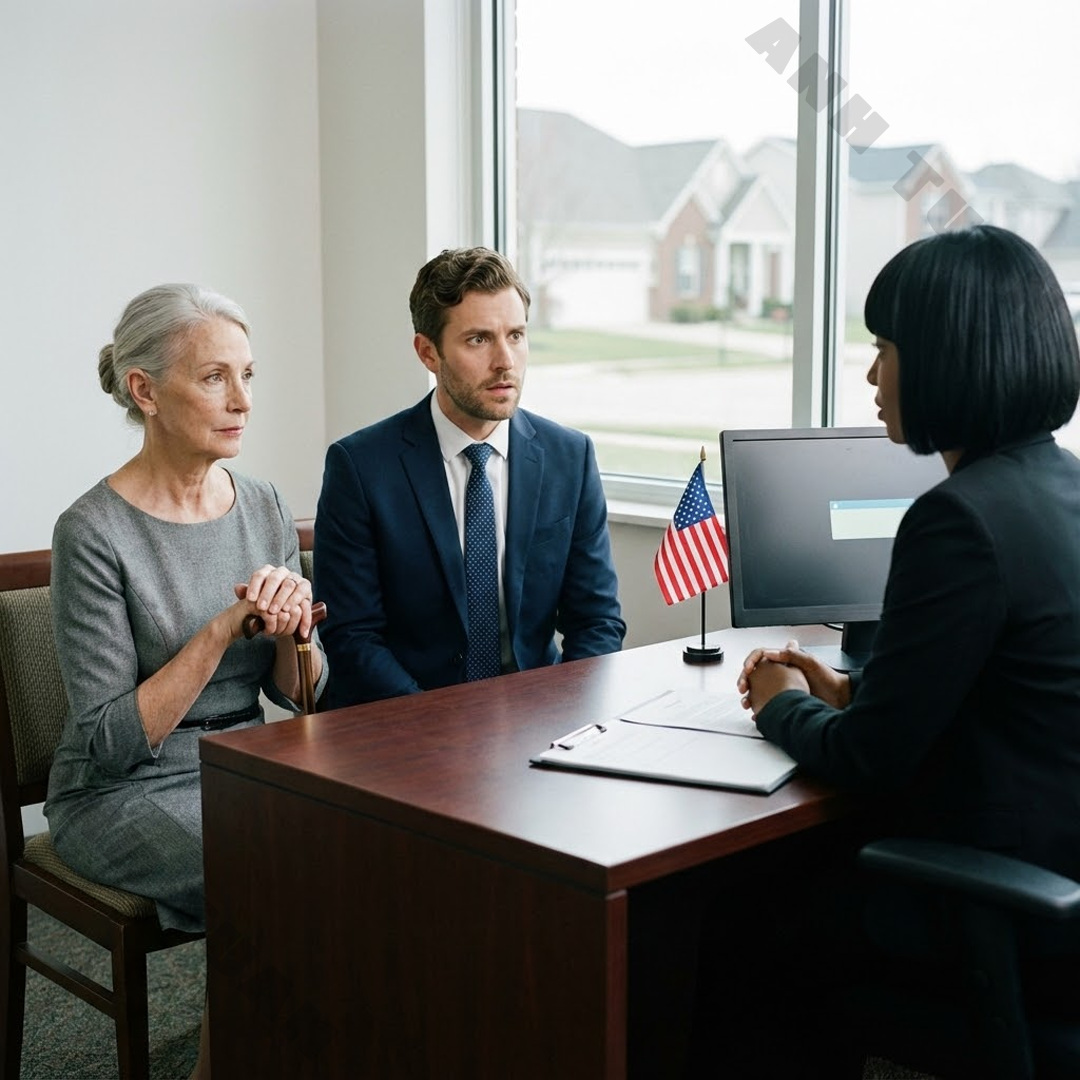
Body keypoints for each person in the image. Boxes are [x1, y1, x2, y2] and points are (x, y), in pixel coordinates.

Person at [724, 224, 1080, 1075]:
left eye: (886, 348)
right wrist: (850, 695)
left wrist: (781, 703)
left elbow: (871, 762)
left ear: (948, 358)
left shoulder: (959, 518)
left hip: (1006, 915)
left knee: (737, 914)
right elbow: (1004, 698)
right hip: (1062, 888)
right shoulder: (1058, 489)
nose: (873, 374)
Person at [44, 283, 327, 1080]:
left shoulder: (264, 501)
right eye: (213, 378)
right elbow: (109, 742)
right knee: (271, 871)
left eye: (248, 375)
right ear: (145, 391)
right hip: (119, 791)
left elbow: (299, 695)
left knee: (362, 848)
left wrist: (297, 632)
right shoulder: (92, 531)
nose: (241, 400)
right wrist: (220, 629)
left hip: (246, 764)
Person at [314, 246, 625, 708]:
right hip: (405, 726)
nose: (506, 361)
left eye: (516, 335)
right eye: (479, 339)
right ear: (428, 352)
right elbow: (352, 637)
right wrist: (445, 729)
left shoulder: (569, 457)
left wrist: (561, 714)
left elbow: (597, 620)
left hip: (536, 722)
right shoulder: (360, 467)